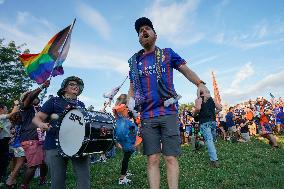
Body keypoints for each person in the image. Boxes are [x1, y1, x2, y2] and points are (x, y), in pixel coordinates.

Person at [127, 17, 208, 189]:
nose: (143, 31)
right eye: (140, 31)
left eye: (147, 28)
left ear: (155, 35)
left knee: (170, 157)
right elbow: (132, 88)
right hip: (147, 115)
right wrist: (129, 103)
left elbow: (186, 70)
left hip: (168, 113)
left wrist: (200, 83)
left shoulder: (167, 53)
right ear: (139, 39)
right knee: (152, 158)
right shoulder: (135, 62)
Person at [32, 76, 90, 189]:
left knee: (84, 177)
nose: (75, 86)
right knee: (57, 180)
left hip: (77, 145)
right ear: (64, 88)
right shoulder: (54, 101)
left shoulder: (81, 105)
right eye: (72, 84)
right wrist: (42, 124)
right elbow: (36, 118)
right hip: (55, 145)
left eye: (77, 85)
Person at [19, 81, 50, 189]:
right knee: (33, 165)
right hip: (31, 140)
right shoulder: (25, 107)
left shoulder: (39, 110)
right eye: (30, 94)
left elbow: (46, 120)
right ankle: (24, 186)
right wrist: (42, 86)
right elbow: (31, 96)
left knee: (44, 162)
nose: (34, 95)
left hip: (40, 140)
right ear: (26, 99)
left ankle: (42, 180)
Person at [193, 88, 222, 167]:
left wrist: (194, 114)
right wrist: (213, 112)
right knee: (211, 140)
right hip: (212, 121)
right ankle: (201, 145)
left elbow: (198, 108)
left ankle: (214, 160)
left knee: (209, 140)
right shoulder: (212, 99)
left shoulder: (198, 99)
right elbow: (220, 108)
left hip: (205, 122)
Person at [113, 94, 137, 185]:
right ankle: (122, 178)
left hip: (123, 130)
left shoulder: (118, 108)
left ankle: (125, 172)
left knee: (127, 156)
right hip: (124, 132)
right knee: (126, 156)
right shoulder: (122, 108)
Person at [0, 104, 17, 187]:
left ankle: (3, 177)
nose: (7, 110)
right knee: (3, 160)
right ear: (1, 109)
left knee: (5, 160)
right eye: (6, 109)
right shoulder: (1, 116)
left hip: (6, 141)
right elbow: (12, 114)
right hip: (1, 141)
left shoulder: (4, 118)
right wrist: (16, 105)